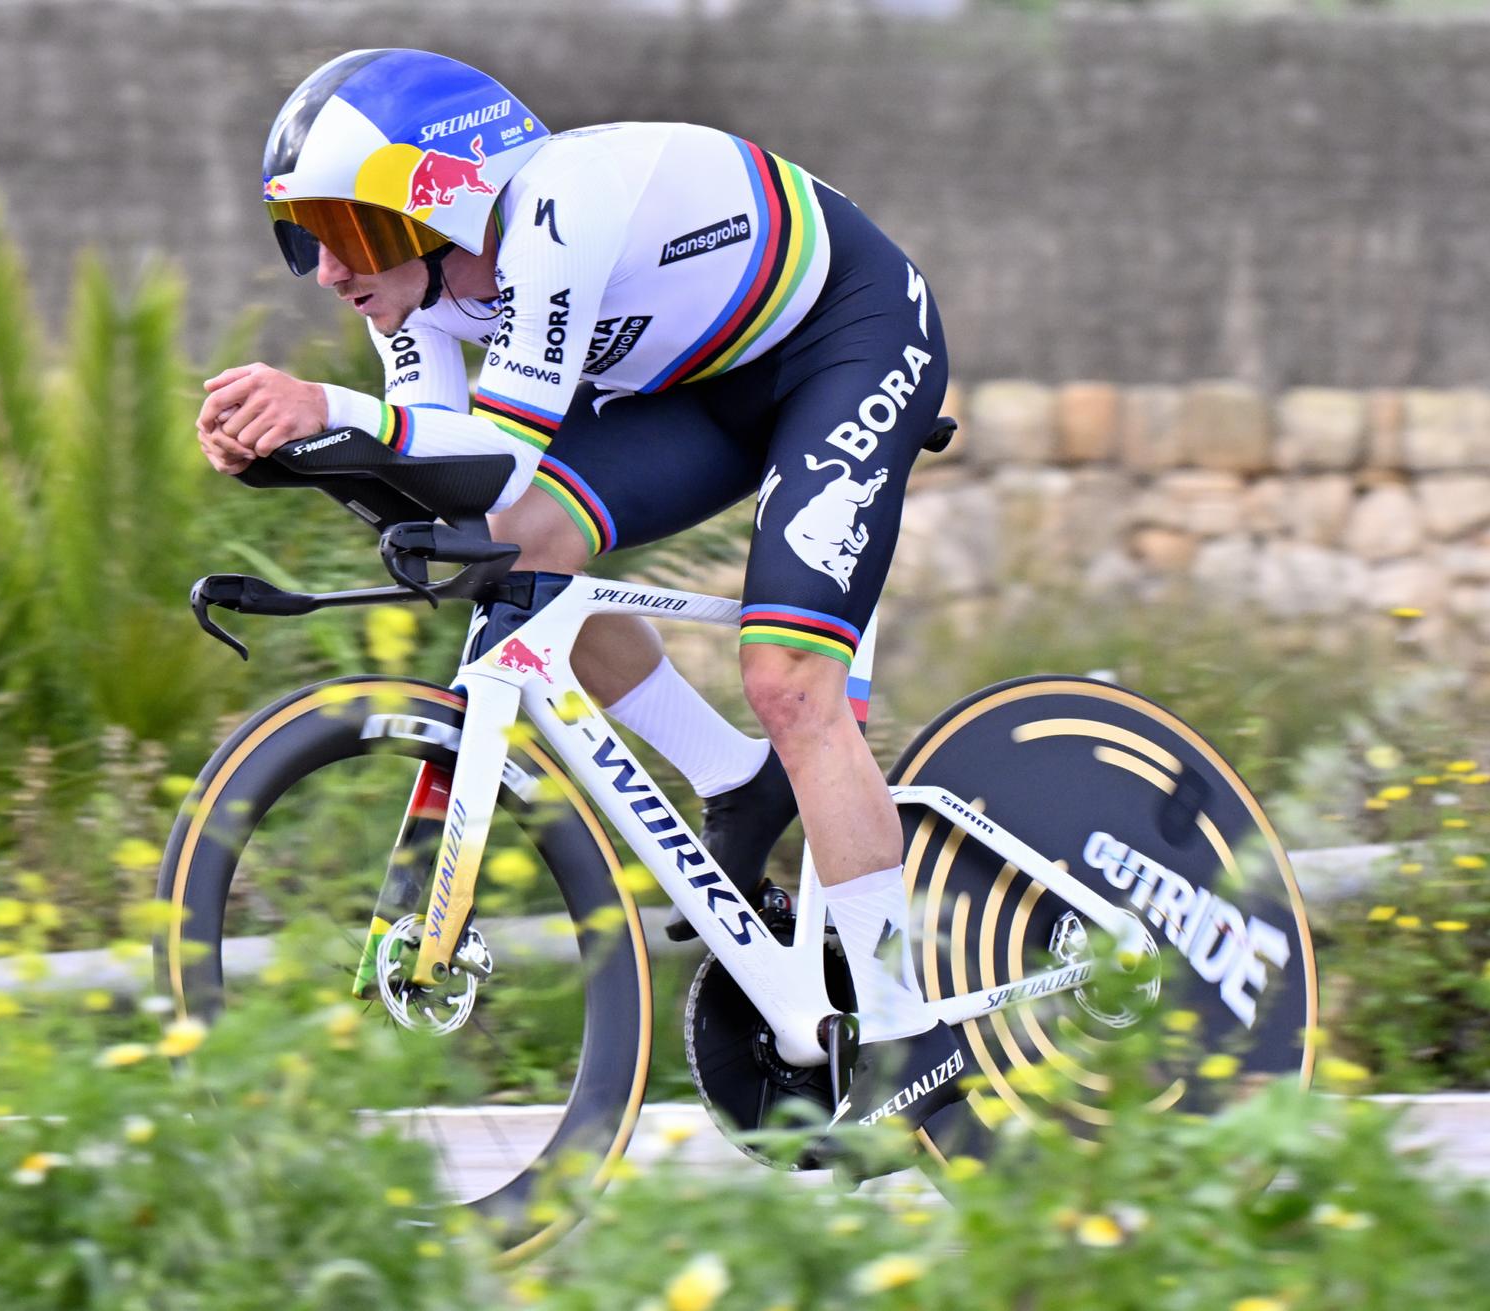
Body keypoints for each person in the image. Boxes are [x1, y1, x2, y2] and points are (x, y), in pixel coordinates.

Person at [196, 48, 961, 1142]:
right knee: (515, 552)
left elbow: (499, 448)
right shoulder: (403, 298)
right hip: (695, 388)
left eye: (351, 232)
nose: (328, 270)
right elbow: (455, 493)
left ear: (445, 198)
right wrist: (295, 449)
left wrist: (329, 406)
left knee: (791, 682)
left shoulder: (552, 210)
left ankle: (902, 1031)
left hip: (844, 337)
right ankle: (732, 780)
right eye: (307, 236)